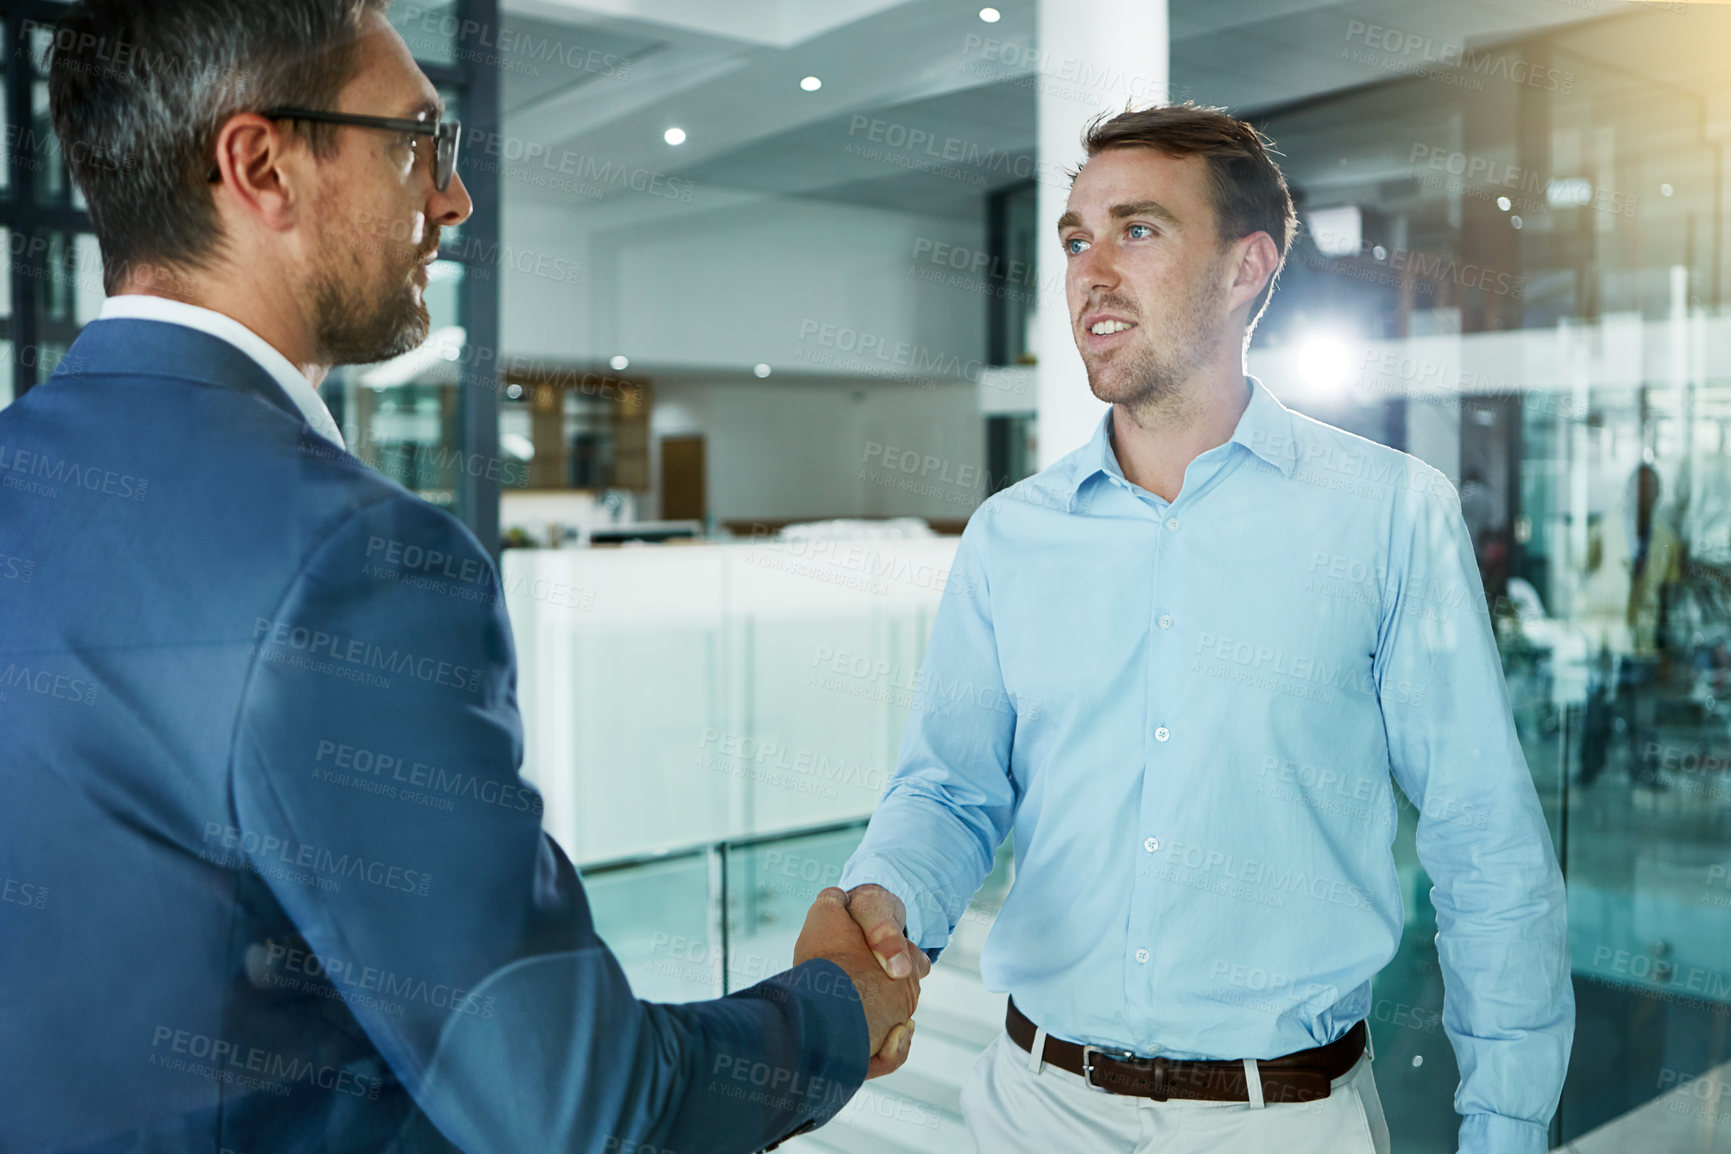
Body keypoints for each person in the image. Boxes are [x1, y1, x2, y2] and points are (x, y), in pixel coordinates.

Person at [0, 3, 915, 1152]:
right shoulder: (352, 561)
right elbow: (579, 1107)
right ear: (261, 166)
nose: (451, 198)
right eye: (415, 143)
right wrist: (834, 1008)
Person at [829, 103, 1573, 1154]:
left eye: (1137, 230)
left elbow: (1483, 837)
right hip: (1031, 1106)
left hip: (1284, 1120)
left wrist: (1507, 1124)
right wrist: (882, 903)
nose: (1090, 270)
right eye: (1077, 238)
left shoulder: (1390, 515)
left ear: (1245, 270)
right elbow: (950, 789)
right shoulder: (1010, 536)